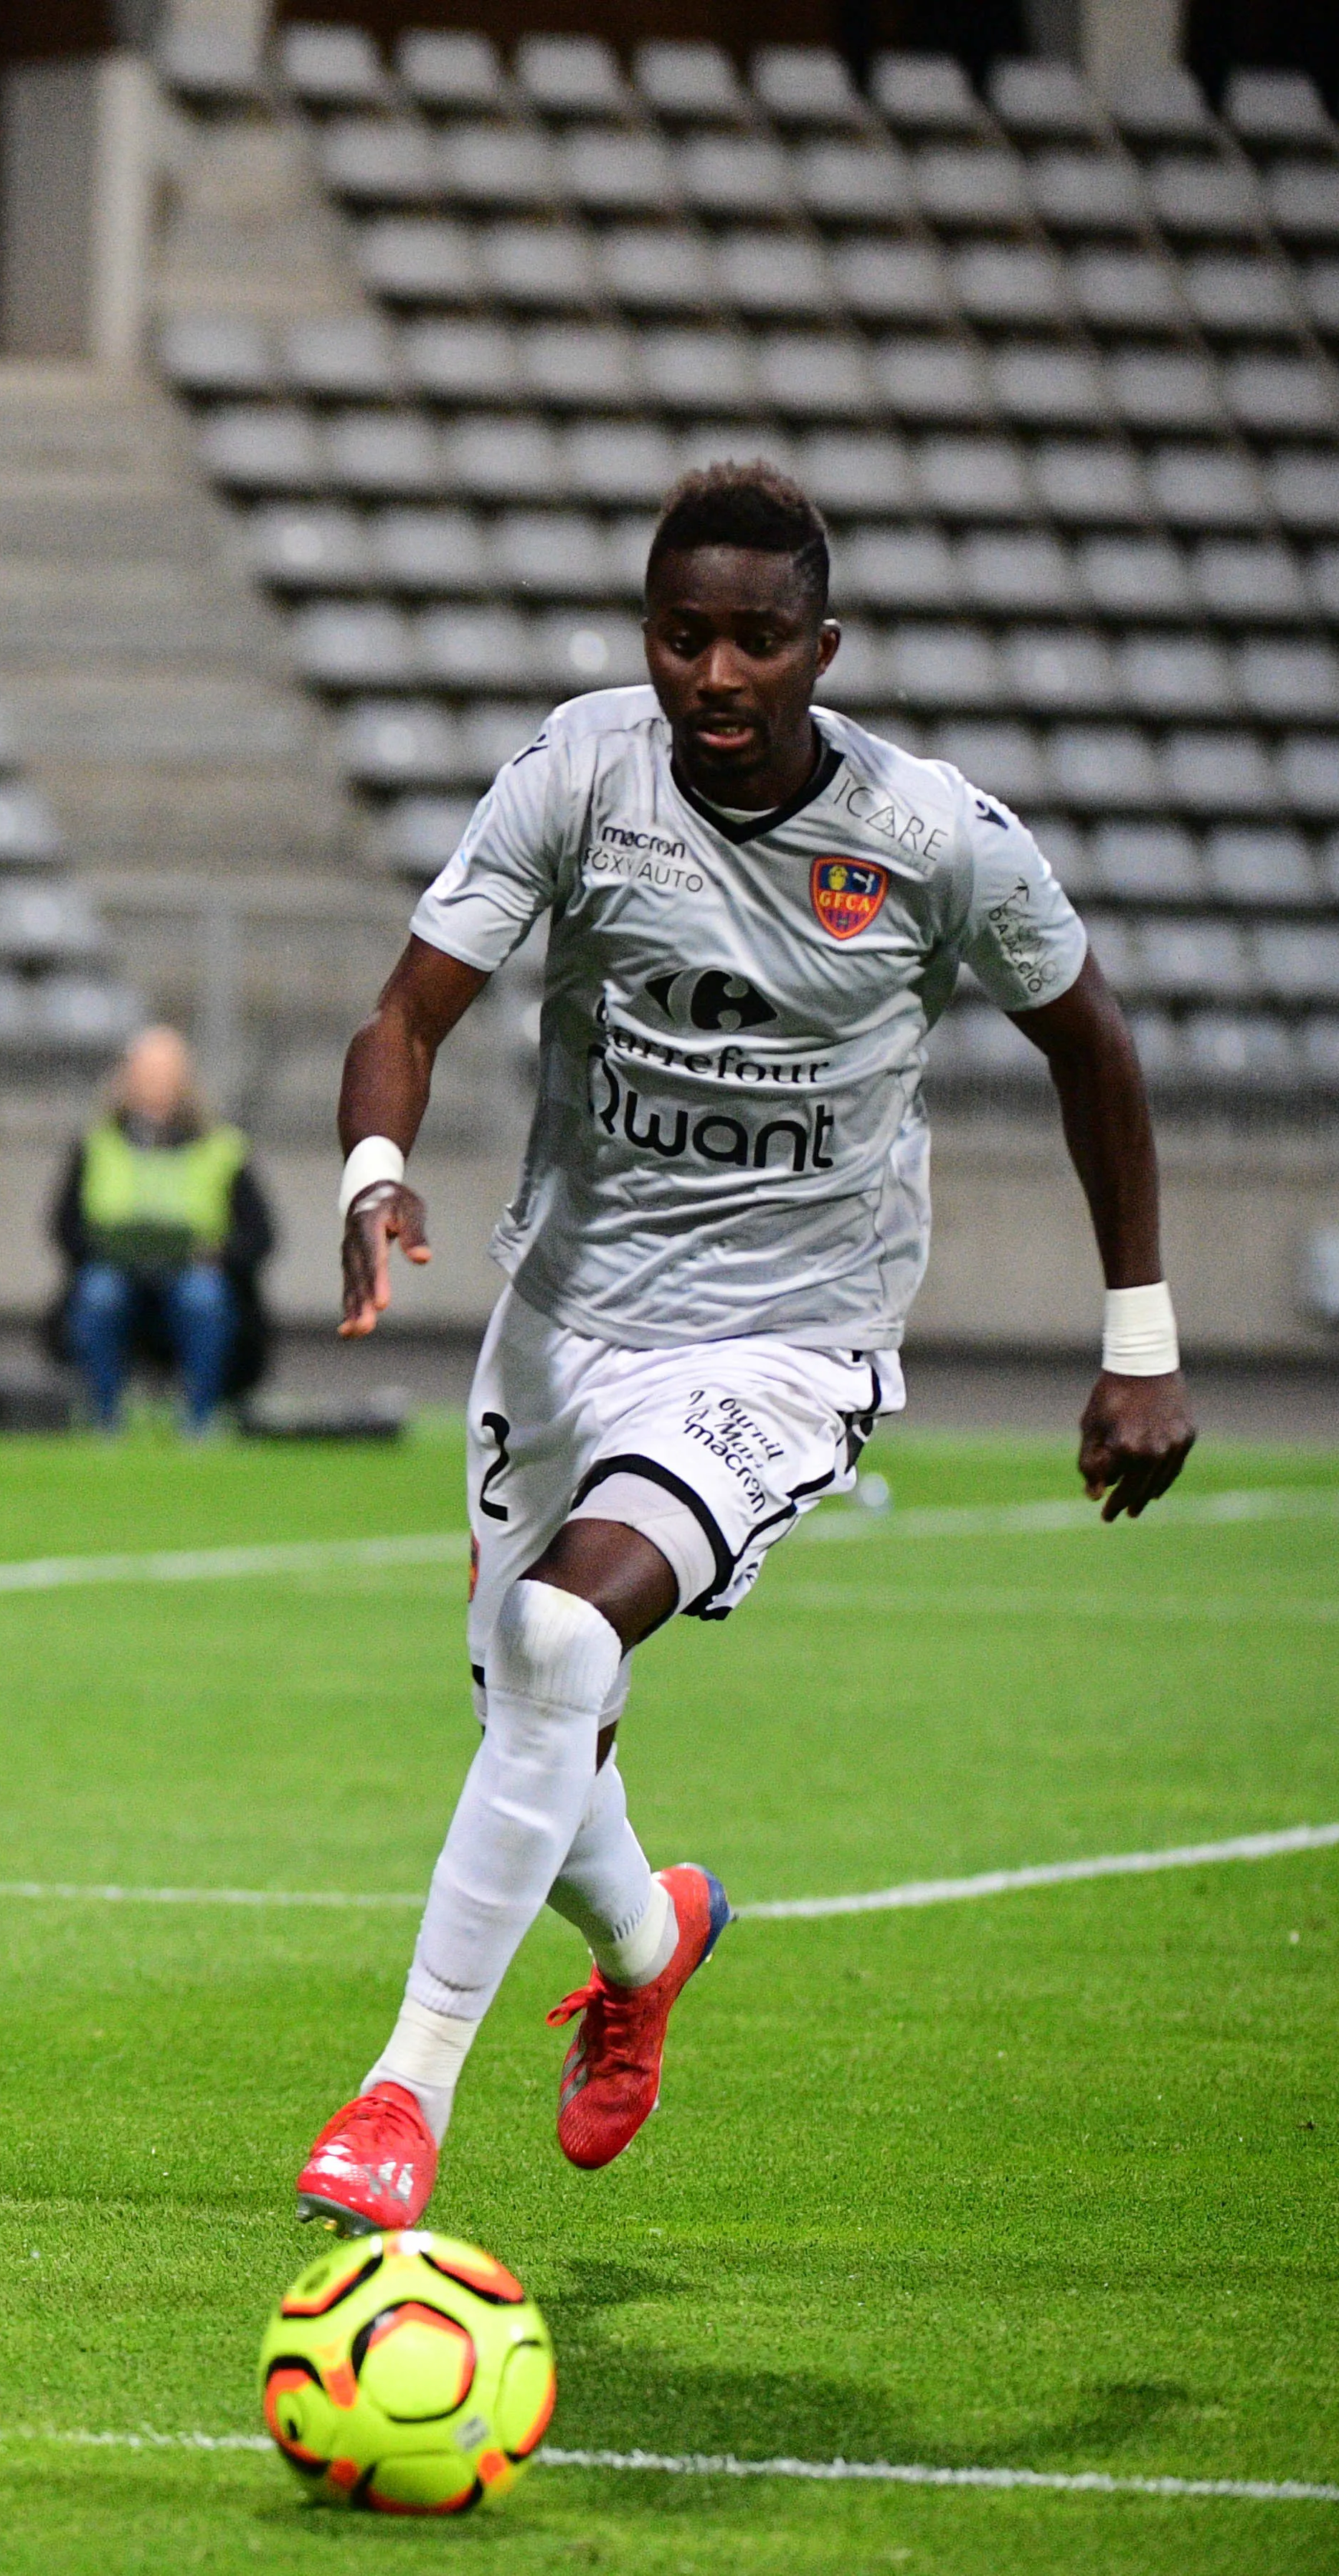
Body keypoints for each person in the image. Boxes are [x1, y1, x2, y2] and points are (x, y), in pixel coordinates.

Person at [293, 462, 1193, 2233]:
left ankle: (398, 2094)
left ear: (817, 649)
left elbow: (1088, 1046)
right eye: (680, 636)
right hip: (558, 1322)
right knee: (533, 1720)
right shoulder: (575, 774)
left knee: (558, 1635)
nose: (712, 675)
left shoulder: (929, 837)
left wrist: (1137, 1339)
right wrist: (374, 1166)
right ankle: (649, 1938)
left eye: (753, 642)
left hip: (783, 1339)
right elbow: (405, 1010)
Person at [50, 1025, 269, 1435]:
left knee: (203, 1298)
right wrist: (105, 1248)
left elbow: (260, 1235)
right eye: (146, 1074)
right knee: (99, 1294)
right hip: (116, 1275)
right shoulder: (96, 1143)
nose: (155, 1085)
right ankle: (105, 1417)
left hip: (194, 1275)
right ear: (125, 1078)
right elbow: (64, 1227)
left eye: (165, 1074)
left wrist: (215, 1254)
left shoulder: (223, 1146)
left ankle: (199, 1420)